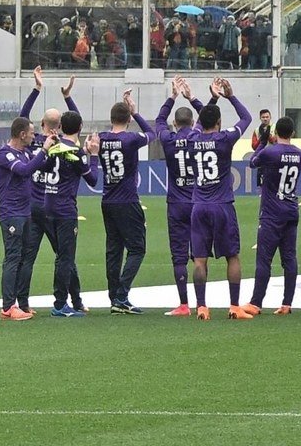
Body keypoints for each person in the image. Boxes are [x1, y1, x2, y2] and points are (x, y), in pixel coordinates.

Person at [184, 80, 254, 319]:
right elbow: (246, 118)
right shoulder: (225, 138)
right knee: (232, 256)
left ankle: (202, 307)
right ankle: (234, 306)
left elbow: (198, 124)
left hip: (198, 205)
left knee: (199, 260)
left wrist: (208, 99)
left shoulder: (193, 139)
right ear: (219, 122)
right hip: (222, 205)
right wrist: (230, 96)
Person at [32, 108, 99, 317]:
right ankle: (60, 304)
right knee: (65, 258)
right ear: (80, 127)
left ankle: (74, 301)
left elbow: (43, 168)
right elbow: (93, 180)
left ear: (61, 127)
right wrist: (93, 155)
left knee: (64, 257)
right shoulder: (77, 153)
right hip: (65, 210)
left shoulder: (54, 147)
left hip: (48, 205)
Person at [93, 91, 152, 314]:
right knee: (137, 249)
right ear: (128, 119)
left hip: (107, 200)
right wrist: (136, 112)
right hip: (127, 200)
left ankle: (114, 297)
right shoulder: (131, 139)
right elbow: (152, 133)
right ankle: (121, 295)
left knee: (114, 250)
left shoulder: (101, 138)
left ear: (111, 119)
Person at [152, 79, 204, 315]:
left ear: (175, 123)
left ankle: (184, 304)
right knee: (199, 255)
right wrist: (192, 98)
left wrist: (172, 97)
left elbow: (159, 121)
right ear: (192, 123)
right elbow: (208, 117)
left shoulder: (168, 139)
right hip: (197, 201)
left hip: (176, 203)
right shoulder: (197, 136)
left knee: (179, 255)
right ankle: (201, 303)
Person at [247, 115, 301, 314]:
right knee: (289, 258)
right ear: (293, 133)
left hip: (272, 212)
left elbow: (253, 162)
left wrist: (263, 142)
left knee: (264, 259)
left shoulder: (270, 152)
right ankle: (287, 303)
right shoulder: (300, 155)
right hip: (291, 209)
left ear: (275, 132)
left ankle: (256, 303)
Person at [0, 116, 39, 318]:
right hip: (11, 213)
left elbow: (38, 165)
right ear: (22, 134)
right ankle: (8, 306)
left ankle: (23, 303)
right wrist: (45, 151)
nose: (34, 136)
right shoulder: (5, 155)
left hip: (25, 212)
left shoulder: (25, 153)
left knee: (25, 258)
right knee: (13, 257)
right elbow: (24, 171)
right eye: (32, 133)